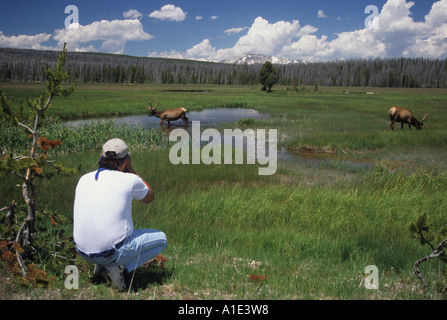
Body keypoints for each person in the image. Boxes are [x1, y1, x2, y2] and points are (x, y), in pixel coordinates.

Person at [73, 138, 167, 291]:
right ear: (126, 160)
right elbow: (150, 197)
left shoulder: (84, 178)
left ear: (101, 157)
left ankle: (102, 267)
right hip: (112, 252)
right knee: (161, 239)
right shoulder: (130, 180)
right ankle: (118, 267)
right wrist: (132, 170)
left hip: (82, 251)